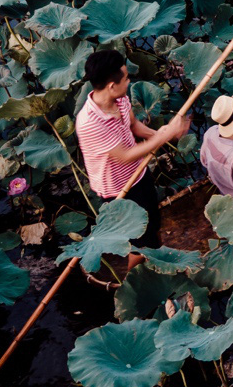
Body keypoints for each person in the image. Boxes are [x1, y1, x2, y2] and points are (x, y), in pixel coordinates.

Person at [77, 49, 190, 276]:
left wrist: (160, 133)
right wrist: (165, 136)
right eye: (126, 78)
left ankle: (155, 261)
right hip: (118, 189)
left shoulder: (119, 99)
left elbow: (134, 126)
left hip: (138, 173)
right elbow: (124, 155)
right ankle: (136, 282)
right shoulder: (90, 122)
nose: (129, 82)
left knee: (152, 221)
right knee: (139, 241)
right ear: (111, 85)